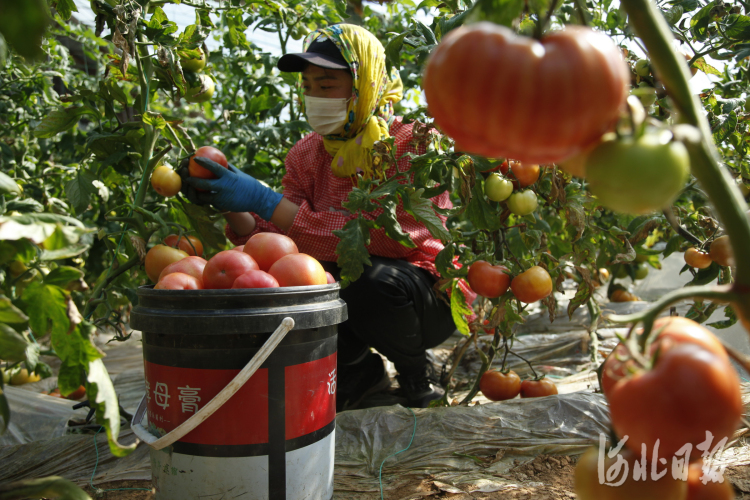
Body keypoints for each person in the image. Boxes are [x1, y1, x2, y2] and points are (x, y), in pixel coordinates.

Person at [183, 24, 461, 410]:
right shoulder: (306, 155)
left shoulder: (411, 145)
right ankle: (359, 369)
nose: (314, 97)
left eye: (326, 85)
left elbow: (390, 239)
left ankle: (415, 371)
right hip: (351, 290)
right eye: (309, 86)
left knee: (368, 278)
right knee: (293, 278)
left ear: (364, 84)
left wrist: (264, 199)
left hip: (422, 297)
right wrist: (231, 203)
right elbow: (276, 243)